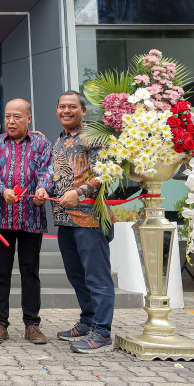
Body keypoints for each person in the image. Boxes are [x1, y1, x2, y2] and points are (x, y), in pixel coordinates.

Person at [0, 99, 54, 345]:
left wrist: (43, 189)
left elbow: (48, 170)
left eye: (17, 117)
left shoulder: (41, 143)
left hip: (31, 218)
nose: (11, 121)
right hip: (1, 219)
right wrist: (2, 189)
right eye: (8, 117)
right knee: (0, 273)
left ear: (28, 118)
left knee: (30, 272)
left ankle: (32, 324)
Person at [52, 90, 115, 354]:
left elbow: (107, 174)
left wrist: (78, 193)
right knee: (76, 275)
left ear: (83, 110)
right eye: (62, 106)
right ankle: (88, 321)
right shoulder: (60, 140)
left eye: (72, 107)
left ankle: (102, 332)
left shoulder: (95, 136)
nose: (66, 111)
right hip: (65, 220)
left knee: (97, 277)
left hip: (90, 218)